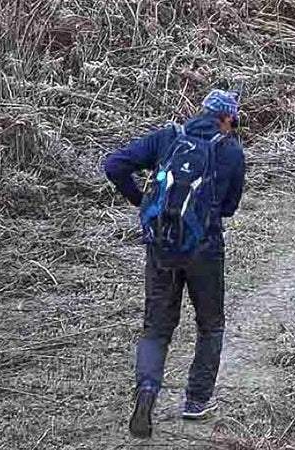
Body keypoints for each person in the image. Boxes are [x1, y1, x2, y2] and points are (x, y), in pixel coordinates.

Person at [105, 89, 247, 436]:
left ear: (201, 111)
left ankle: (148, 390)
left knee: (156, 328)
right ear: (226, 118)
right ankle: (196, 401)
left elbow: (113, 165)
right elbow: (228, 207)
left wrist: (141, 201)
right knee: (210, 325)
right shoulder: (230, 150)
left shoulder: (168, 137)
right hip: (204, 249)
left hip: (162, 248)